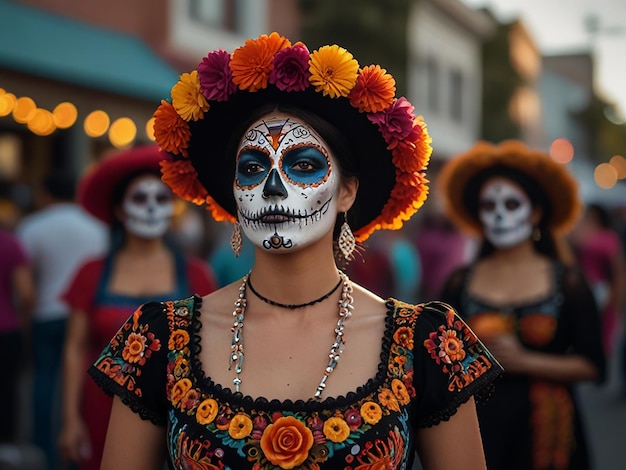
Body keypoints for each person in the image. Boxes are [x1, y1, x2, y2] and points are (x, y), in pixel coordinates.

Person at [88, 33, 503, 469]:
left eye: (303, 165)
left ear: (346, 192)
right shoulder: (157, 340)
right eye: (252, 168)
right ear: (234, 193)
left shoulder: (425, 343)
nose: (271, 188)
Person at [437, 140, 606, 470]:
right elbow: (438, 360)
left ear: (536, 212)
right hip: (479, 434)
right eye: (489, 205)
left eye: (512, 203)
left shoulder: (568, 282)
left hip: (549, 436)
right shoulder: (459, 281)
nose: (499, 214)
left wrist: (525, 361)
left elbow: (594, 365)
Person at [58, 145, 217, 470]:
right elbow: (74, 349)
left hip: (176, 413)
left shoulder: (196, 274)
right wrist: (70, 419)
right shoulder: (91, 272)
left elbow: (210, 351)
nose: (150, 209)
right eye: (139, 199)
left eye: (160, 199)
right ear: (119, 210)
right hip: (99, 410)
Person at [15, 169, 108, 470]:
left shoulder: (31, 227)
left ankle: (45, 445)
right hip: (87, 313)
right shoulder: (97, 226)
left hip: (46, 312)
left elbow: (25, 282)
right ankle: (81, 440)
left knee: (45, 380)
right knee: (85, 381)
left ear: (45, 194)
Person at [570, 203, 624, 357]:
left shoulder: (608, 237)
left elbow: (618, 270)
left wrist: (617, 297)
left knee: (603, 325)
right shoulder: (585, 232)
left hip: (601, 289)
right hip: (583, 286)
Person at [0, 223, 35, 446]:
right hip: (6, 329)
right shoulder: (10, 243)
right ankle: (6, 443)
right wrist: (23, 322)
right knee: (6, 389)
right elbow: (26, 293)